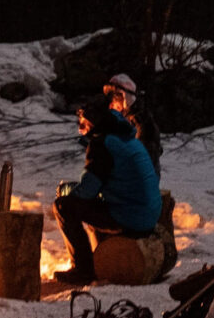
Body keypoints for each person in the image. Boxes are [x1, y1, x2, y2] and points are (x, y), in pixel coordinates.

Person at [53, 95, 163, 285]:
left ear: (94, 124)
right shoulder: (126, 139)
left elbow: (88, 191)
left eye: (83, 123)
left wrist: (67, 191)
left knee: (64, 206)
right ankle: (98, 257)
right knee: (91, 205)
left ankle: (83, 269)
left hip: (131, 217)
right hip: (147, 215)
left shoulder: (102, 144)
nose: (81, 129)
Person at [105, 72, 163, 174]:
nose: (112, 104)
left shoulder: (141, 122)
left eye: (116, 98)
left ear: (125, 98)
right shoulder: (120, 122)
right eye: (111, 98)